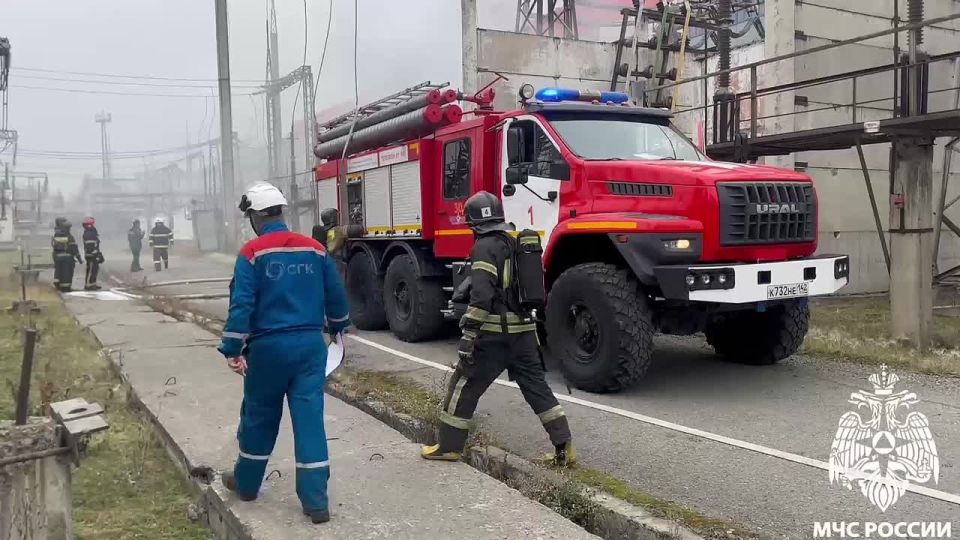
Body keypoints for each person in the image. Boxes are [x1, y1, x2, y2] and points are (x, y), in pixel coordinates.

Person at [217, 182, 350, 525]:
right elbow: (336, 296)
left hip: (268, 349)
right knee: (309, 421)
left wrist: (232, 347)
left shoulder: (251, 253)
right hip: (309, 349)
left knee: (259, 417)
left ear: (254, 217)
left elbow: (241, 305)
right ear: (279, 212)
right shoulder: (315, 250)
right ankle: (316, 502)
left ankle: (246, 485)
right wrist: (338, 327)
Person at [420, 191, 575, 466]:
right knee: (537, 389)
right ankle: (564, 448)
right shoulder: (518, 242)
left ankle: (448, 446)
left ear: (473, 223)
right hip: (525, 334)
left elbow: (482, 297)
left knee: (463, 386)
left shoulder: (484, 246)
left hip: (493, 336)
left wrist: (469, 335)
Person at [51, 218, 83, 292]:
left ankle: (58, 284)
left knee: (58, 271)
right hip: (67, 258)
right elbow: (74, 248)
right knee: (67, 273)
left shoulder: (56, 235)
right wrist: (79, 259)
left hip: (57, 257)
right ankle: (66, 288)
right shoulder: (69, 236)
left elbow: (55, 247)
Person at [81, 217, 104, 291]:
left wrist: (98, 253)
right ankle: (88, 285)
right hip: (91, 255)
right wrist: (94, 253)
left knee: (95, 269)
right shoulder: (89, 233)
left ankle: (93, 283)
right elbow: (90, 245)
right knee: (91, 269)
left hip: (94, 253)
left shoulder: (91, 231)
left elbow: (96, 244)